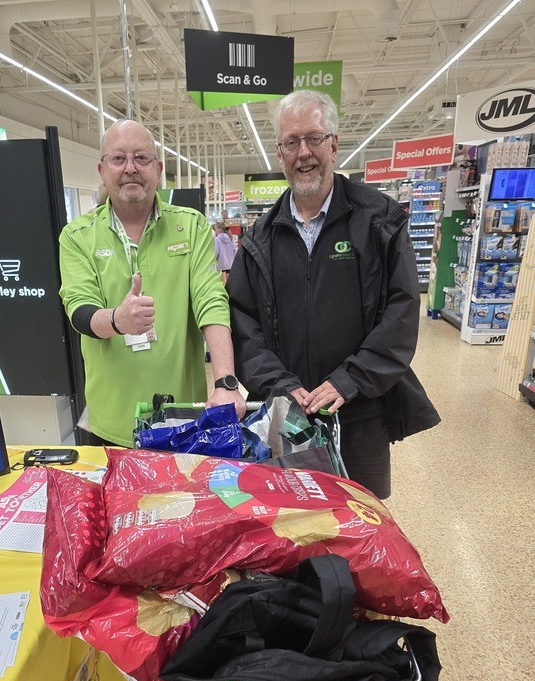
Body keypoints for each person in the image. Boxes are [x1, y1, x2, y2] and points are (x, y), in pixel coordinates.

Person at [227, 90, 440, 499]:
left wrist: (349, 380)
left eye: (314, 138)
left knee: (362, 522)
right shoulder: (259, 239)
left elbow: (402, 310)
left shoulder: (380, 220)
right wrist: (277, 384)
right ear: (279, 153)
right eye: (292, 142)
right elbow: (243, 321)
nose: (303, 153)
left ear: (334, 144)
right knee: (290, 524)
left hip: (360, 410)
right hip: (285, 414)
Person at [59, 119, 245, 446]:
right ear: (102, 170)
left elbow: (211, 302)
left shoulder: (191, 227)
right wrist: (118, 320)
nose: (130, 168)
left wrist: (226, 383)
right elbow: (80, 312)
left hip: (182, 418)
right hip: (111, 424)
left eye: (141, 158)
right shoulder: (77, 236)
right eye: (118, 159)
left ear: (158, 169)